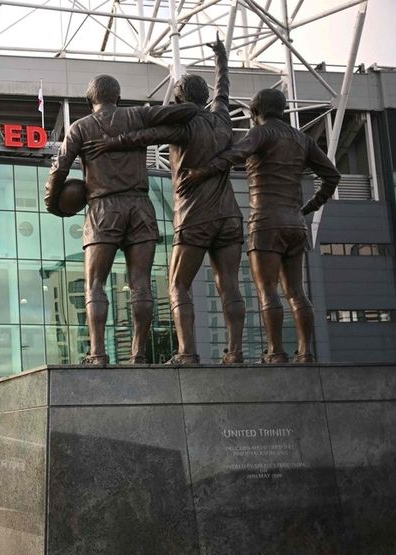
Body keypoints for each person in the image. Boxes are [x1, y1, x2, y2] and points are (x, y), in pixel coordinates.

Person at [83, 38, 246, 365]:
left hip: (195, 215)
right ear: (207, 98)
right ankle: (236, 352)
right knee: (229, 285)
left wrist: (110, 143)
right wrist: (222, 60)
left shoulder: (185, 124)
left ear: (180, 99)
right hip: (230, 215)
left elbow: (145, 137)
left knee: (178, 286)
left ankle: (187, 353)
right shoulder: (223, 117)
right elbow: (224, 90)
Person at [178, 88, 341, 363]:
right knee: (296, 291)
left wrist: (202, 172)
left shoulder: (261, 133)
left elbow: (233, 155)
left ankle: (276, 352)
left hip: (266, 222)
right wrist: (309, 208)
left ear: (255, 114)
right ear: (282, 109)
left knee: (268, 289)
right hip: (295, 223)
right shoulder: (302, 139)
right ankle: (305, 352)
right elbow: (332, 176)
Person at [45, 75, 198, 364]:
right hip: (140, 205)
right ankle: (138, 353)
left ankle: (98, 353)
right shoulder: (137, 115)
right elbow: (189, 111)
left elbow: (59, 169)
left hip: (103, 208)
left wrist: (53, 204)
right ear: (118, 95)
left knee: (95, 285)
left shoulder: (80, 127)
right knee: (141, 283)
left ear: (90, 99)